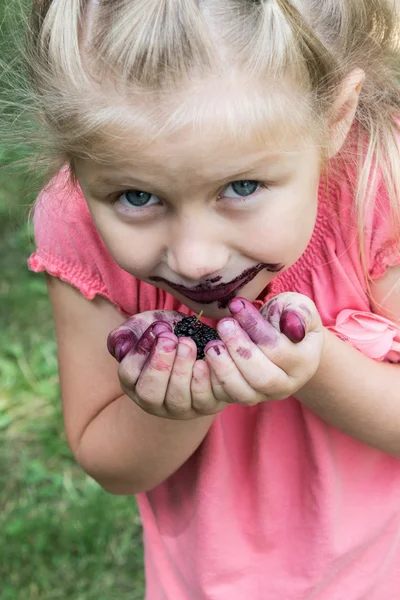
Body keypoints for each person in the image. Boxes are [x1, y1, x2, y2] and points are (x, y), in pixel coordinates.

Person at [24, 0, 400, 597]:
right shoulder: (73, 222)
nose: (196, 258)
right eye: (137, 197)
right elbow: (109, 462)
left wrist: (312, 365)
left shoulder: (380, 191)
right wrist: (175, 405)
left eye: (241, 187)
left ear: (337, 118)